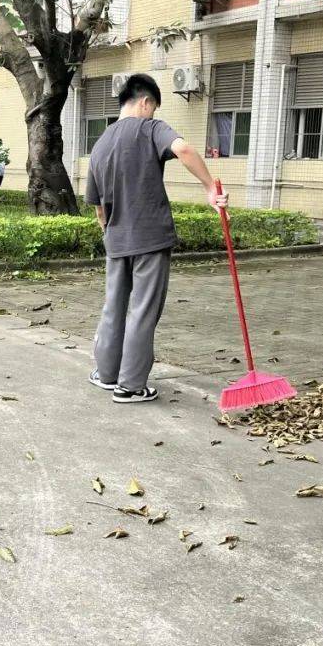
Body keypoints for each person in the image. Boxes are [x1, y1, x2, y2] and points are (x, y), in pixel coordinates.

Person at [84, 73, 228, 404]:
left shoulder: (101, 142)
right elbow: (185, 149)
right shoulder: (150, 128)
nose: (152, 114)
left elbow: (96, 206)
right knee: (143, 310)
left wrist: (110, 233)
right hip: (149, 237)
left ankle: (106, 375)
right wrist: (209, 187)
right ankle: (131, 385)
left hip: (116, 239)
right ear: (146, 102)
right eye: (153, 108)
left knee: (114, 306)